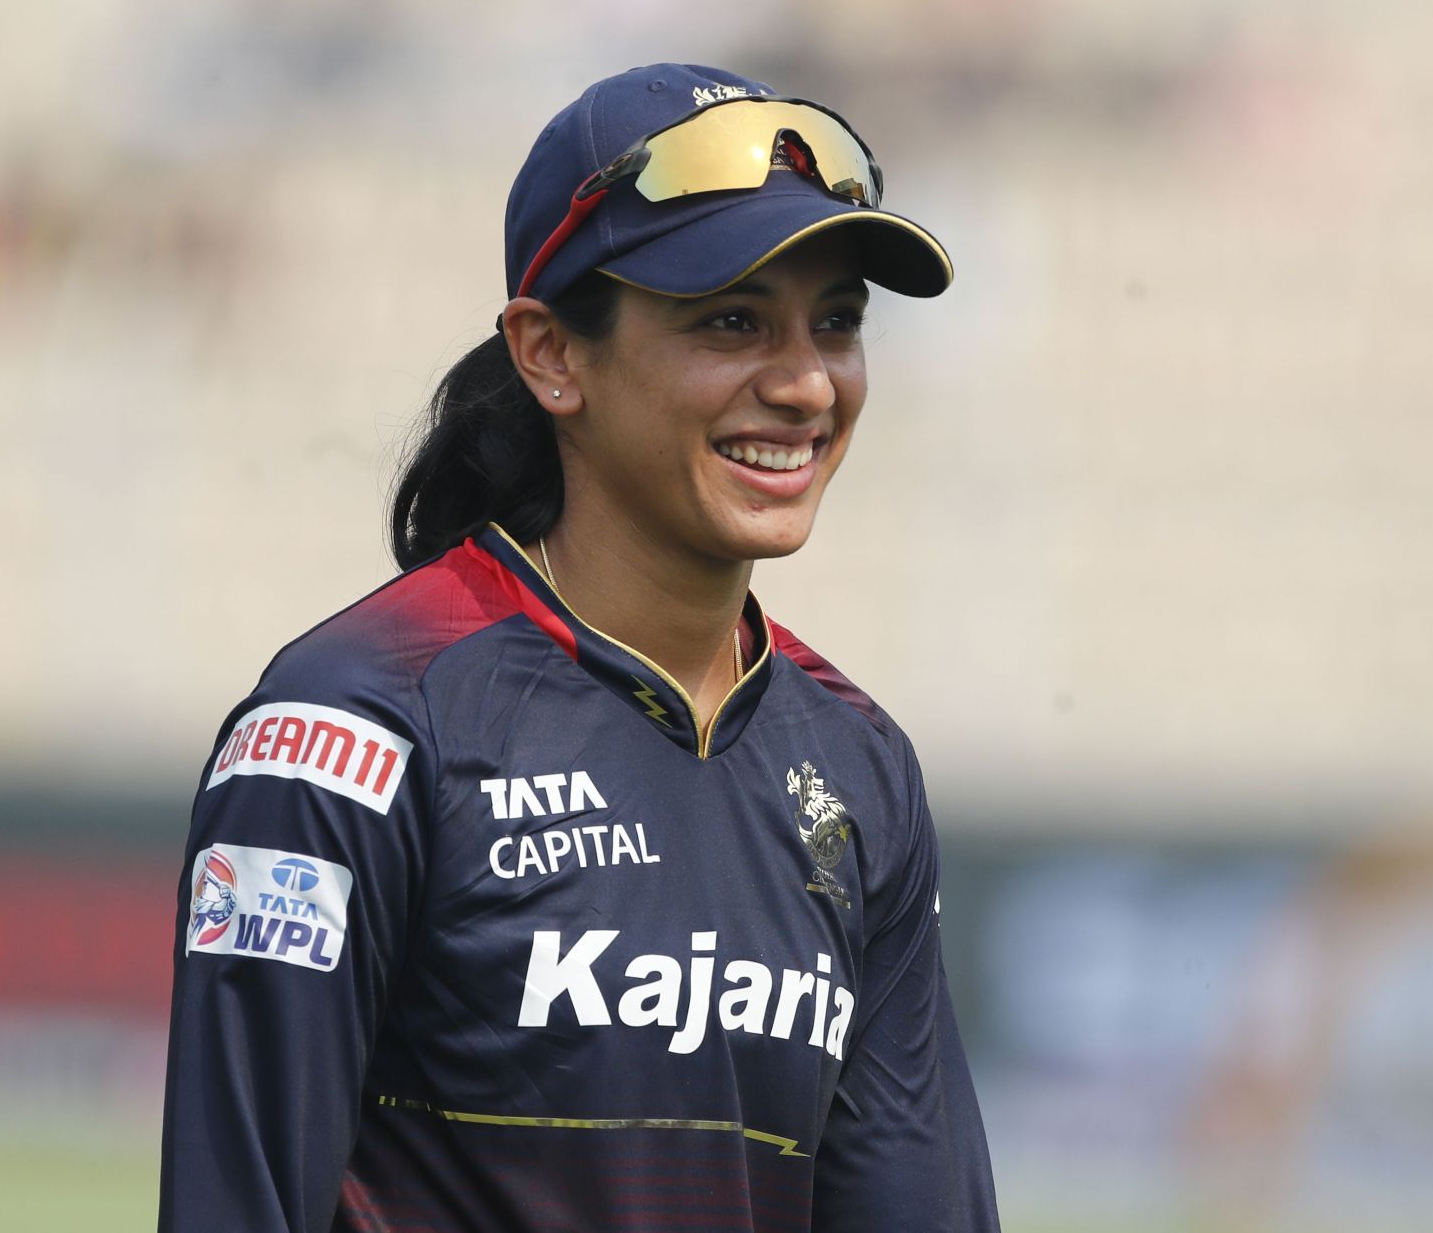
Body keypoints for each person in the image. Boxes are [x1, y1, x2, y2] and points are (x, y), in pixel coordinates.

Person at [159, 61, 1000, 1232]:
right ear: (552, 354)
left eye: (839, 323)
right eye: (732, 320)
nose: (807, 382)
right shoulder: (350, 730)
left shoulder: (860, 765)